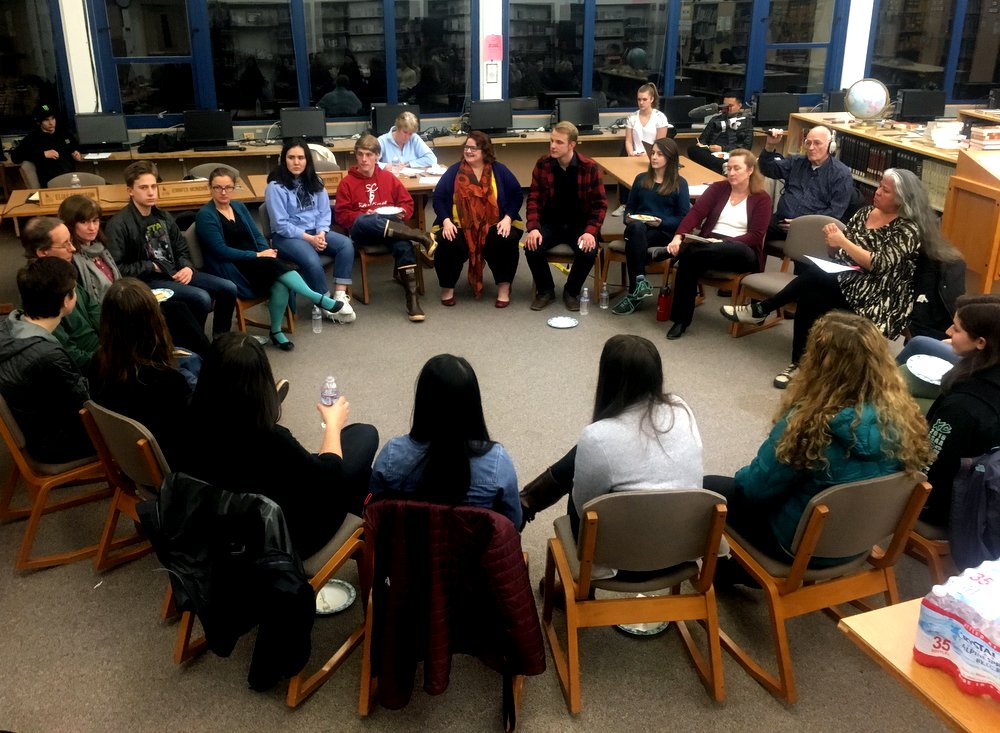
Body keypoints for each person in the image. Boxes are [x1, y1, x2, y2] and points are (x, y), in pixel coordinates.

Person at [703, 311, 930, 565]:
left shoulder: (809, 425)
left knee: (709, 488)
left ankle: (728, 572)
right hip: (859, 541)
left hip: (800, 548)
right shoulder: (906, 417)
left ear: (819, 363)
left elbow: (755, 490)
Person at [722, 168, 931, 389]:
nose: (877, 192)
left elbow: (879, 264)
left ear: (901, 199)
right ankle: (799, 363)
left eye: (885, 190)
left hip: (878, 295)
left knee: (816, 274)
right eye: (879, 185)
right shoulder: (865, 213)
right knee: (810, 296)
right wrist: (833, 246)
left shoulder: (909, 228)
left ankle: (764, 309)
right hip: (848, 281)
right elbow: (841, 255)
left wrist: (842, 242)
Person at [184, 333, 379, 560]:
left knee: (352, 462)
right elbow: (330, 478)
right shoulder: (271, 439)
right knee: (365, 436)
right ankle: (373, 535)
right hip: (284, 542)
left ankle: (369, 526)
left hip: (223, 529)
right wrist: (333, 425)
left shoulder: (187, 417)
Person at [519, 336, 703, 557]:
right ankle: (526, 501)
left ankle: (525, 502)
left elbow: (583, 508)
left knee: (582, 468)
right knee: (592, 454)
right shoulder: (681, 408)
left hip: (617, 560)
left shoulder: (598, 436)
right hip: (680, 548)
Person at [197, 168, 351, 351]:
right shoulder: (206, 215)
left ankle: (276, 331)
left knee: (280, 279)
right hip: (232, 267)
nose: (223, 192)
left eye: (228, 187)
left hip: (256, 262)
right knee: (277, 268)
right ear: (210, 188)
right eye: (217, 187)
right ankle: (318, 298)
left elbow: (257, 235)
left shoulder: (238, 207)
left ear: (234, 188)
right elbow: (220, 251)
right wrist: (256, 255)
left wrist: (265, 251)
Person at [369, 354, 521, 527]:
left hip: (405, 551)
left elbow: (372, 510)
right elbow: (513, 523)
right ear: (473, 404)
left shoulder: (391, 454)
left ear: (422, 401)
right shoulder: (497, 462)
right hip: (475, 554)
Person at [58, 194, 210, 358]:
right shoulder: (73, 259)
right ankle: (200, 361)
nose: (92, 227)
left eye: (95, 221)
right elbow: (91, 307)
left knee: (179, 309)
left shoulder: (100, 248)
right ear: (70, 225)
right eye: (84, 222)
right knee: (176, 313)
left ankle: (201, 359)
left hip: (123, 303)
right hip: (110, 317)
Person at [105, 160, 238, 338]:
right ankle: (194, 342)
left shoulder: (163, 216)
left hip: (174, 272)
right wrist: (151, 266)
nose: (151, 192)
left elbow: (181, 248)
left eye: (153, 186)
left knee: (228, 288)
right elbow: (117, 269)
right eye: (144, 187)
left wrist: (187, 267)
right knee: (201, 297)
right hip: (147, 280)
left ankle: (221, 338)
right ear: (130, 191)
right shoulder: (119, 224)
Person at [663, 148, 770, 340]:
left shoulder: (762, 198)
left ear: (750, 170)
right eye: (729, 168)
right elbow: (695, 214)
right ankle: (681, 321)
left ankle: (674, 253)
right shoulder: (718, 189)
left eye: (737, 168)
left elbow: (755, 235)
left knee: (692, 253)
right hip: (708, 247)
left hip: (742, 250)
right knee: (691, 258)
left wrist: (724, 242)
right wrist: (678, 236)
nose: (731, 173)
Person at [0, 257, 92, 464]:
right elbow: (85, 406)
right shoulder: (48, 355)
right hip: (56, 444)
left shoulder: (8, 326)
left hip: (34, 427)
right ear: (66, 300)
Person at [334, 134, 435, 322]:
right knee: (366, 220)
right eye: (360, 154)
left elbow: (407, 203)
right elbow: (341, 215)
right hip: (363, 233)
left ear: (377, 156)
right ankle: (421, 236)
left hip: (390, 229)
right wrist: (365, 216)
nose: (364, 159)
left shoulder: (388, 178)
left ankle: (412, 300)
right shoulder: (347, 183)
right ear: (356, 156)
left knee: (403, 244)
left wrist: (402, 212)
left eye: (369, 155)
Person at [93, 279, 194, 467]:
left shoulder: (98, 363)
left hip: (129, 462)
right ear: (155, 320)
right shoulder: (169, 382)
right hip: (172, 470)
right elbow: (188, 440)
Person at [921, 296, 1000, 527]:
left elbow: (931, 468)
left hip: (946, 507)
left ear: (981, 343)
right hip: (982, 492)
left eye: (956, 329)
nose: (947, 331)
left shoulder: (962, 407)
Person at [263, 139, 356, 323]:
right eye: (291, 158)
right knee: (312, 260)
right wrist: (310, 239)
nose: (296, 162)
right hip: (287, 237)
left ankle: (339, 296)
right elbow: (281, 224)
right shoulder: (275, 187)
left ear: (307, 161)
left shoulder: (316, 181)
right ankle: (324, 302)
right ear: (283, 160)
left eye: (300, 158)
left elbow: (324, 212)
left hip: (315, 232)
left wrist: (321, 233)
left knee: (346, 244)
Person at [431, 131, 522, 307]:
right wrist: (446, 221)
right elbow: (439, 198)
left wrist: (508, 218)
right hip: (458, 224)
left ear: (485, 151)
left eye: (474, 148)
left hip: (496, 223)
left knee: (505, 239)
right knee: (449, 241)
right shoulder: (454, 171)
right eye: (466, 147)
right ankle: (447, 288)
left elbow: (516, 195)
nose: (469, 151)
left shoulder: (499, 170)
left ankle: (504, 288)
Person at [523, 121, 608, 312]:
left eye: (559, 142)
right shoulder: (543, 164)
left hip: (579, 224)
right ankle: (545, 290)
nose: (553, 146)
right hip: (551, 223)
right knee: (531, 247)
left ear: (572, 145)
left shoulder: (589, 167)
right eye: (552, 141)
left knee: (588, 251)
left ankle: (571, 291)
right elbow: (534, 199)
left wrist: (590, 232)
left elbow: (600, 205)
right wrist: (534, 227)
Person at [611, 138, 691, 315]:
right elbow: (629, 207)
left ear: (670, 158)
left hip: (661, 231)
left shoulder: (680, 183)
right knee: (637, 229)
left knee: (635, 240)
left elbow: (683, 218)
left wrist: (661, 222)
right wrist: (628, 218)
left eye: (659, 154)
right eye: (653, 153)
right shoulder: (641, 179)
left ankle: (635, 293)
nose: (654, 157)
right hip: (636, 228)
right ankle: (640, 281)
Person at [21, 216, 101, 376]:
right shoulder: (41, 295)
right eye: (65, 244)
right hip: (92, 368)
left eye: (70, 241)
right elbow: (71, 357)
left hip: (103, 349)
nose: (73, 249)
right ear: (43, 252)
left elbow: (95, 310)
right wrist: (112, 358)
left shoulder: (63, 273)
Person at [758, 125, 855, 240]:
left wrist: (803, 224)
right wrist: (770, 146)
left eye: (817, 143)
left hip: (812, 230)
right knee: (754, 231)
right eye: (808, 143)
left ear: (831, 147)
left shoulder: (841, 174)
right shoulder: (796, 162)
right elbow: (767, 169)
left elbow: (835, 212)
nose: (811, 148)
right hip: (781, 222)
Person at [10, 103, 81, 187]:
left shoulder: (64, 134)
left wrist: (77, 153)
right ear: (39, 122)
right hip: (50, 182)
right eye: (46, 120)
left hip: (71, 180)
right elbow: (15, 157)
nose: (51, 123)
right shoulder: (33, 138)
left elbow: (75, 147)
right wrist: (43, 154)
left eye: (53, 118)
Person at [687, 92, 753, 175]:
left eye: (731, 106)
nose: (727, 109)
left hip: (731, 154)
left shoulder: (746, 121)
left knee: (734, 158)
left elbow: (746, 147)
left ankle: (723, 166)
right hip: (712, 154)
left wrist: (722, 149)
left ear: (739, 106)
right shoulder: (716, 119)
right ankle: (723, 166)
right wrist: (702, 145)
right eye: (725, 106)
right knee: (692, 149)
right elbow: (703, 140)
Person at [624, 83, 669, 157]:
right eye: (639, 99)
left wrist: (647, 155)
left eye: (644, 99)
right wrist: (630, 153)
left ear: (652, 99)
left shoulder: (660, 117)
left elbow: (660, 145)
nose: (641, 102)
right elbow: (628, 141)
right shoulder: (632, 117)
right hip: (635, 157)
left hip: (653, 157)